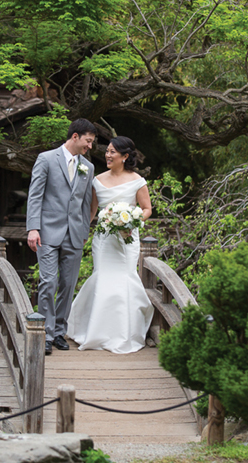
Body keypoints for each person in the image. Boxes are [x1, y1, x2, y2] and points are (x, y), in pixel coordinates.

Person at [67, 136, 155, 354]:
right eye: (107, 151)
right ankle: (96, 332)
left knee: (124, 280)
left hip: (127, 240)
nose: (107, 155)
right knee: (103, 279)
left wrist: (133, 221)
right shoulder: (97, 180)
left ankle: (125, 333)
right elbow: (92, 212)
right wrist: (78, 232)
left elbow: (147, 209)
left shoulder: (138, 181)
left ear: (125, 156)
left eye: (112, 152)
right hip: (104, 240)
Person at [26, 118, 97, 355]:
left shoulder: (88, 166)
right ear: (75, 136)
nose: (90, 146)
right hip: (47, 231)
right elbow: (35, 195)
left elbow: (87, 201)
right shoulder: (46, 159)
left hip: (75, 234)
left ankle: (59, 332)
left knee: (68, 284)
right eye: (88, 141)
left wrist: (84, 231)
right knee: (48, 281)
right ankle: (44, 333)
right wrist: (33, 228)